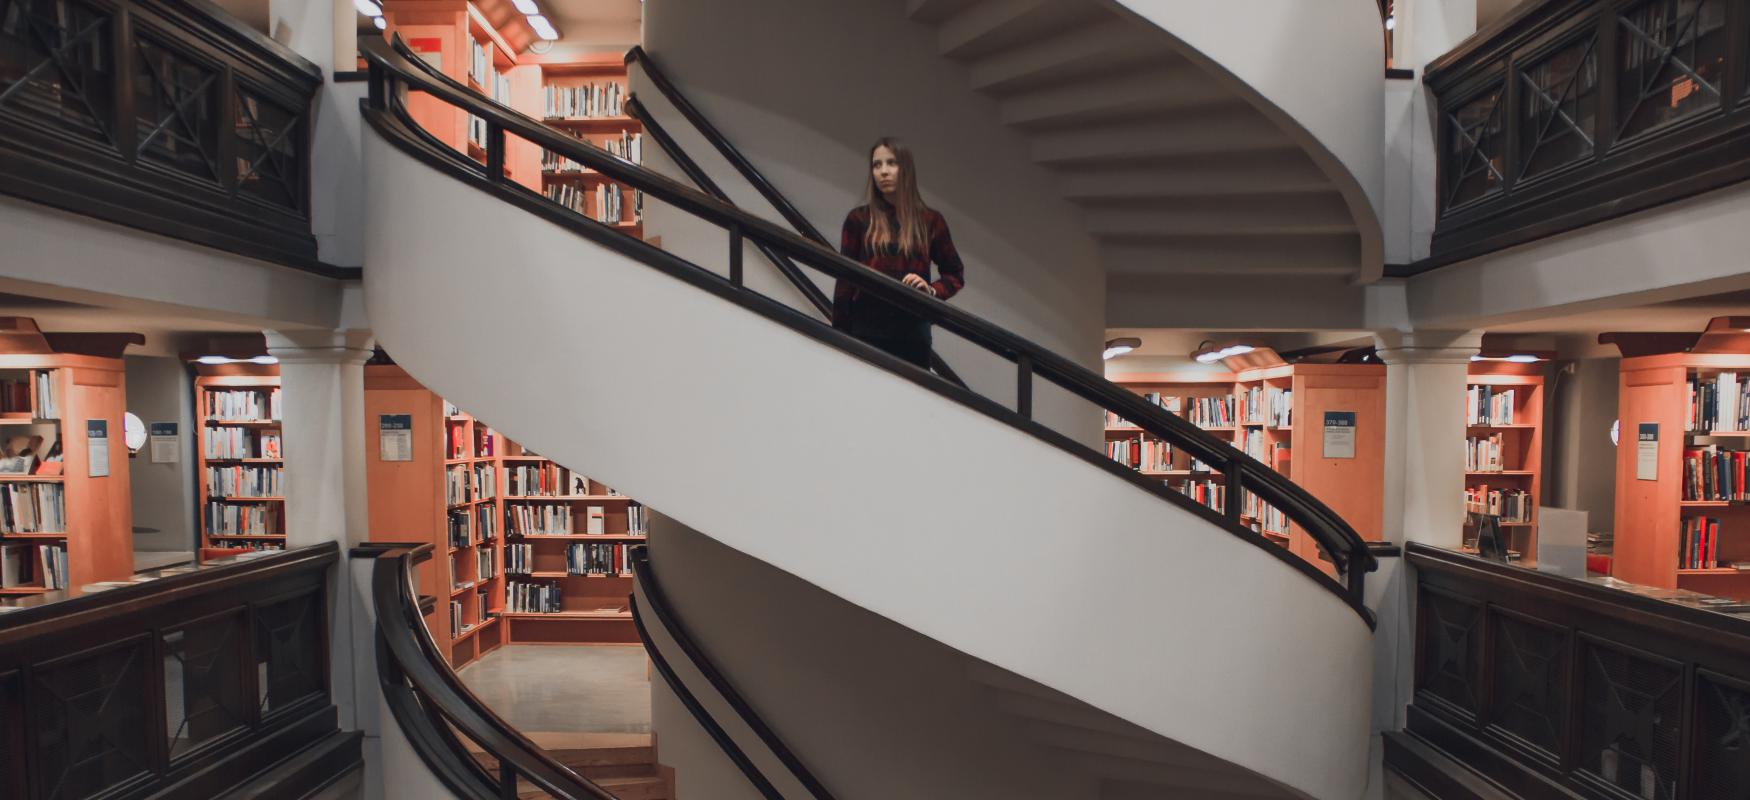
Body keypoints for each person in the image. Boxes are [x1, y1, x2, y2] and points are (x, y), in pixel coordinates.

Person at [832, 137, 964, 369]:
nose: (883, 171)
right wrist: (838, 335)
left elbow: (954, 274)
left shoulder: (930, 221)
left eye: (891, 163)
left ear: (906, 168)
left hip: (912, 333)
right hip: (866, 329)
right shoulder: (859, 220)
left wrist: (931, 291)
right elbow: (845, 282)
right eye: (877, 165)